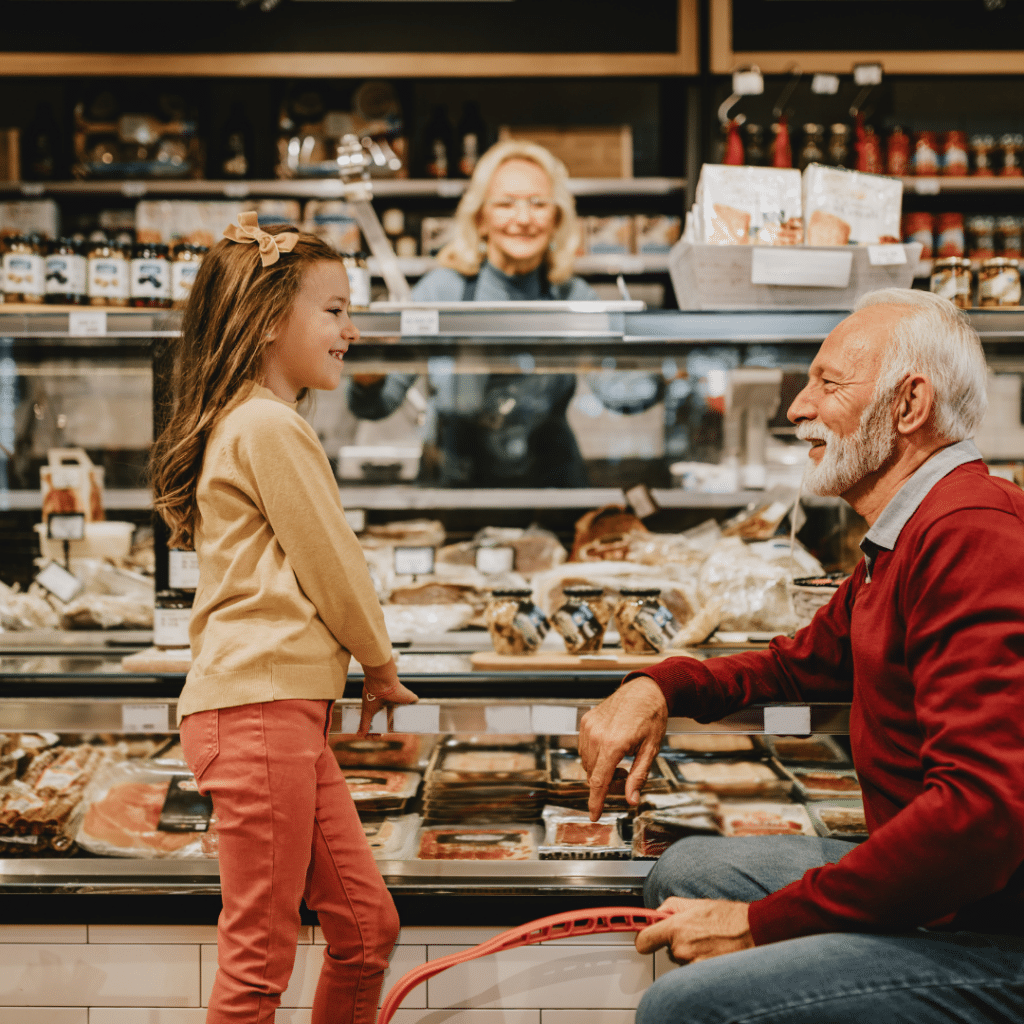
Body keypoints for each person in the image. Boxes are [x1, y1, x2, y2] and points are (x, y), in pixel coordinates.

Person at [578, 288, 1024, 1024]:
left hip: (992, 926)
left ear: (909, 404)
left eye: (828, 383)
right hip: (949, 894)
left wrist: (758, 926)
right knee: (686, 870)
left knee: (684, 1009)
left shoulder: (972, 535)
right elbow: (798, 665)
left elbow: (981, 815)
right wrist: (659, 684)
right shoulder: (904, 534)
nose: (796, 407)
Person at [150, 212, 418, 1024]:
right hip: (257, 712)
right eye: (334, 309)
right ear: (271, 319)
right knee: (258, 962)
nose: (351, 329)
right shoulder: (269, 424)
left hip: (274, 713)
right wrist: (379, 662)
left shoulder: (248, 420)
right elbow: (332, 563)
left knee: (367, 930)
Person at [348, 139, 662, 487]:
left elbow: (622, 394)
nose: (523, 218)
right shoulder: (442, 290)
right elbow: (375, 407)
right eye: (506, 203)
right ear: (481, 218)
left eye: (539, 203)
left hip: (552, 492)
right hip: (458, 490)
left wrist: (665, 367)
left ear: (556, 219)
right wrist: (368, 375)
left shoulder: (572, 295)